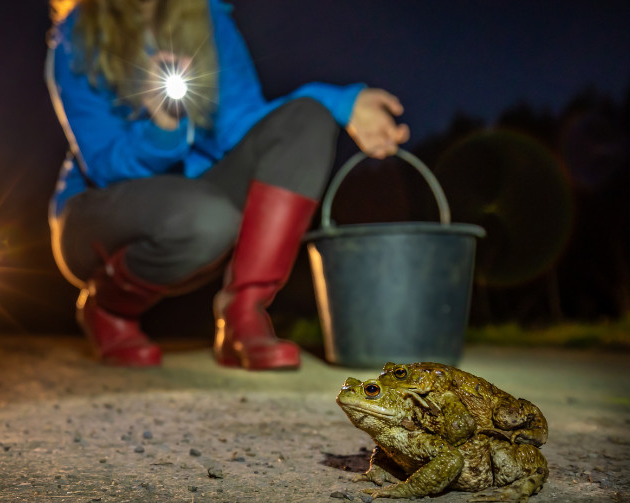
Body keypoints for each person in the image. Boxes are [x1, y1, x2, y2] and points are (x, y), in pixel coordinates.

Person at [46, 0, 409, 370]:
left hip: (197, 208)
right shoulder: (76, 36)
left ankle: (243, 314)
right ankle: (108, 308)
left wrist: (342, 102)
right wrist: (163, 128)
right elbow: (104, 167)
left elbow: (242, 125)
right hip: (96, 216)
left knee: (307, 119)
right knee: (205, 218)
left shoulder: (209, 19)